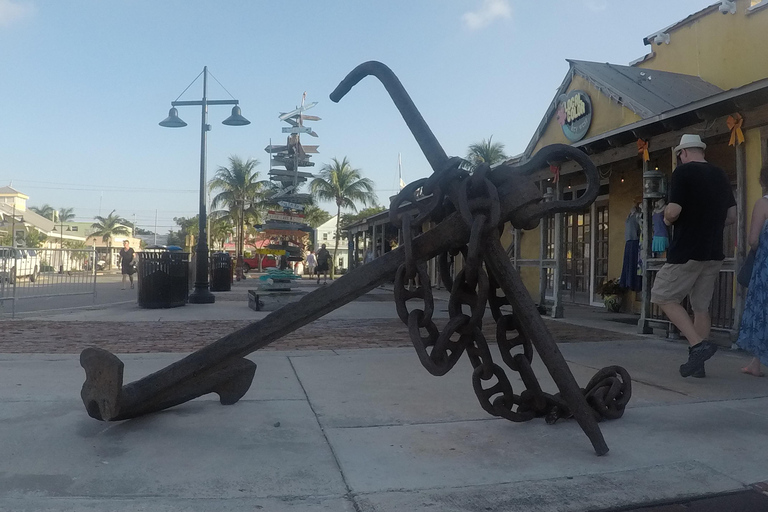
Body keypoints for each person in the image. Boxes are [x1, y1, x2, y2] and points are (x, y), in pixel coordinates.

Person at [650, 134, 737, 378]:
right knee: (701, 307)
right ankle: (698, 364)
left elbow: (675, 210)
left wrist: (666, 217)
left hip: (687, 250)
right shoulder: (720, 175)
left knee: (662, 295)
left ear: (683, 153)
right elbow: (732, 216)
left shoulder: (683, 173)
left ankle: (698, 346)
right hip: (713, 251)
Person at [735, 164, 768, 377]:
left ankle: (756, 363)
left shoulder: (763, 204)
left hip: (766, 267)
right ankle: (756, 363)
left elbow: (753, 239)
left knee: (762, 309)